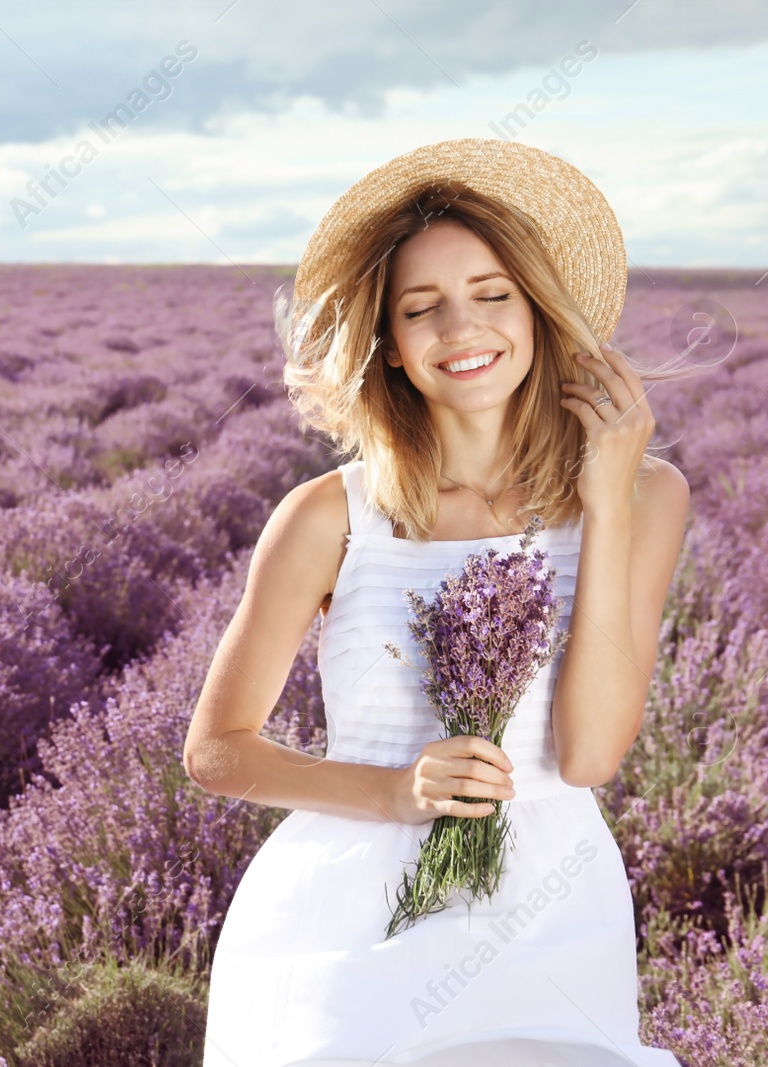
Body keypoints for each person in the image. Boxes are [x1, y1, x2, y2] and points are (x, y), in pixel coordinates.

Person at [184, 139, 694, 1065]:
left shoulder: (649, 496)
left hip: (552, 913)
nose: (463, 330)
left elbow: (587, 754)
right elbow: (218, 750)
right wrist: (394, 789)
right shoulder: (328, 516)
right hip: (351, 917)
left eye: (492, 294)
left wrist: (605, 500)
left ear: (538, 312)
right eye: (422, 308)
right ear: (387, 345)